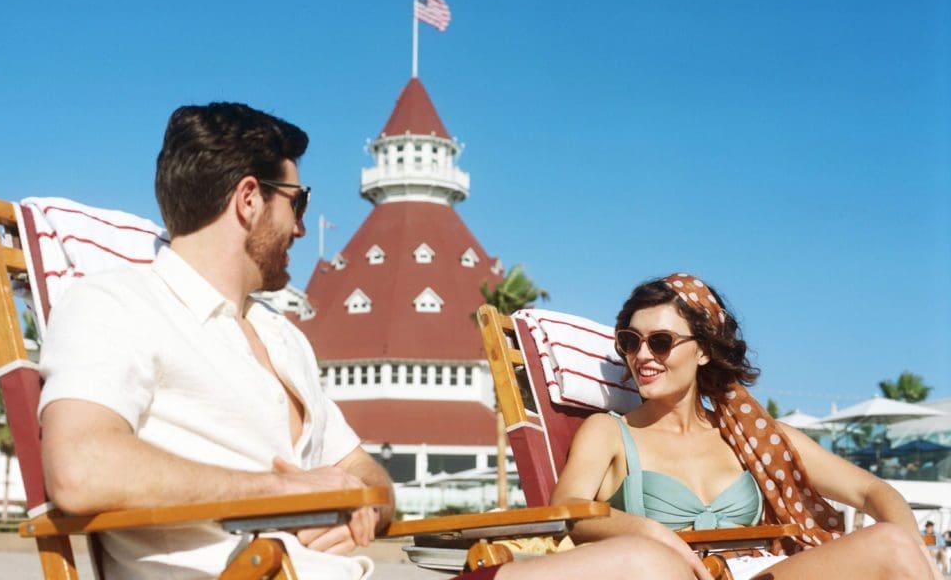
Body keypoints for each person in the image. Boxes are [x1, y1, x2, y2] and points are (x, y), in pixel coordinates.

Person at [39, 102, 693, 580]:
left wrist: (357, 505)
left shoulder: (280, 336)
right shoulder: (116, 305)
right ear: (248, 201)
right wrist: (282, 496)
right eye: (297, 201)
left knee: (643, 563)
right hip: (248, 573)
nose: (302, 226)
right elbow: (79, 470)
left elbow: (370, 478)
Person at [551, 273, 942, 580]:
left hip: (759, 572)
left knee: (894, 544)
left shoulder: (750, 436)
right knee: (891, 548)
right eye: (630, 341)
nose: (642, 356)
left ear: (703, 350)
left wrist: (916, 545)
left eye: (661, 342)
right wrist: (649, 533)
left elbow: (872, 489)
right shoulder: (610, 432)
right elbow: (566, 511)